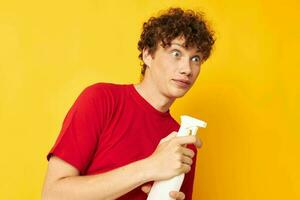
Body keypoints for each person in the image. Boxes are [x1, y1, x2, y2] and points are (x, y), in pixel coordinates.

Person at [42, 7, 215, 200]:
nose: (187, 69)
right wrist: (149, 167)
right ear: (148, 54)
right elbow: (53, 195)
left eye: (196, 59)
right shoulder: (102, 100)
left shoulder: (182, 141)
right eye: (176, 53)